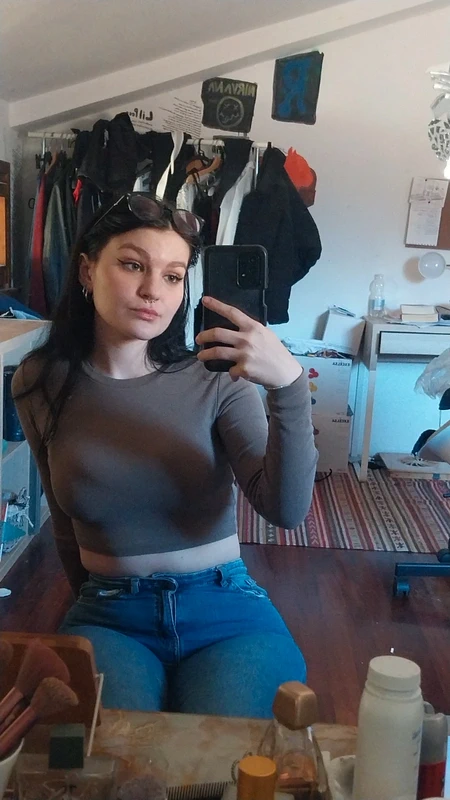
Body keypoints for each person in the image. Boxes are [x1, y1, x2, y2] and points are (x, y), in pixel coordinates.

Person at [13, 193, 318, 718]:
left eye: (173, 276)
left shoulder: (215, 378)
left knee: (225, 756)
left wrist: (289, 386)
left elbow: (285, 510)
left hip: (226, 611)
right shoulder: (40, 382)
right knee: (110, 754)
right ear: (87, 271)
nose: (154, 290)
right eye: (133, 265)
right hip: (109, 615)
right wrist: (88, 605)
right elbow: (65, 522)